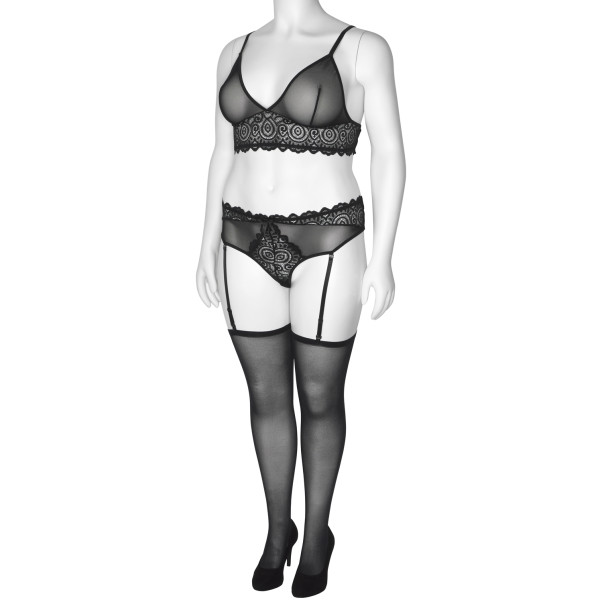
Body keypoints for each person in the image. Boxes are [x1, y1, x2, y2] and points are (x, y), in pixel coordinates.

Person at [196, 1, 405, 597]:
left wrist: (385, 255)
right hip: (241, 238)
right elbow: (222, 152)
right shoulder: (231, 52)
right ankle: (276, 530)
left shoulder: (363, 47)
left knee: (319, 396)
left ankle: (317, 538)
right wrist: (205, 241)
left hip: (329, 237)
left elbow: (389, 151)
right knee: (265, 397)